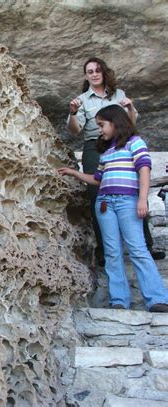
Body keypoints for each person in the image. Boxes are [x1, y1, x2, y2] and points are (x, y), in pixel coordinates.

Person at [59, 105, 168, 312]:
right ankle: (119, 299)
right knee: (112, 252)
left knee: (138, 249)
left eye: (102, 125)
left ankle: (157, 298)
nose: (100, 130)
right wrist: (74, 173)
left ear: (115, 122)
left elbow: (144, 170)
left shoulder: (135, 143)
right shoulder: (107, 152)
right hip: (105, 204)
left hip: (128, 201)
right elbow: (97, 179)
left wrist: (142, 200)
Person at [67, 57, 164, 265]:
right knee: (96, 193)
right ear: (86, 76)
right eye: (89, 71)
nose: (94, 74)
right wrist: (73, 113)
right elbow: (75, 130)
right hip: (95, 145)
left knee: (135, 188)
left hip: (120, 143)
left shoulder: (118, 95)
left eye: (97, 70)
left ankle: (145, 245)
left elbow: (130, 123)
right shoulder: (82, 99)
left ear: (103, 73)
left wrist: (130, 107)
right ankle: (105, 250)